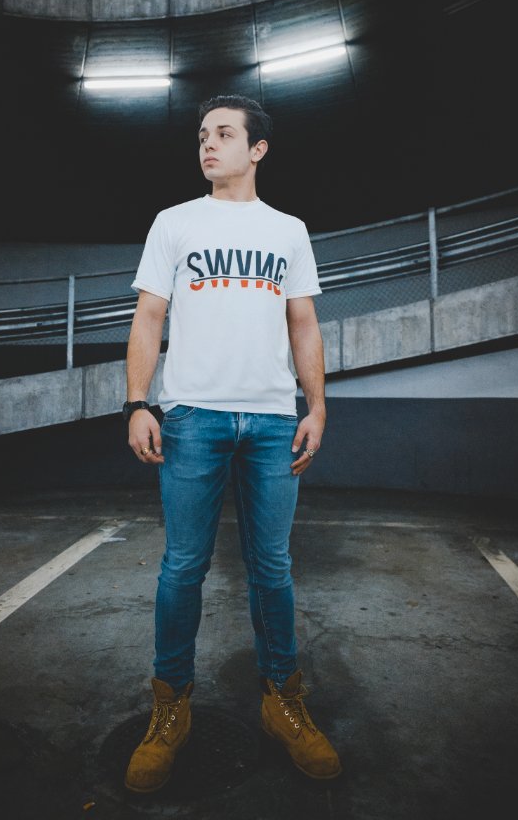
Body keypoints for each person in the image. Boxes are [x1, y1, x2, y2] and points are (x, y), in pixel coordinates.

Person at [122, 94, 341, 793]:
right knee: (182, 566)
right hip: (193, 418)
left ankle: (282, 701)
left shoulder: (289, 230)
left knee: (271, 567)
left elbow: (303, 324)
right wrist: (137, 402)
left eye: (223, 134)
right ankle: (171, 707)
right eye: (201, 135)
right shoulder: (174, 222)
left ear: (258, 149)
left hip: (274, 421)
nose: (207, 145)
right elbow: (149, 315)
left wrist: (317, 406)